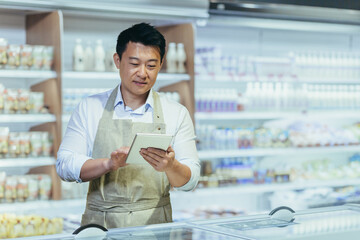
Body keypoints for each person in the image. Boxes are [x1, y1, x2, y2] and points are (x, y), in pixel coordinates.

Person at [56, 22, 200, 229]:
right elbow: (64, 165)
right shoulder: (90, 107)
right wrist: (108, 164)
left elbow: (190, 181)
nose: (143, 73)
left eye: (151, 65)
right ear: (117, 60)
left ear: (161, 64)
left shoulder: (176, 113)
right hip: (101, 227)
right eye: (134, 63)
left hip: (155, 228)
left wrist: (171, 166)